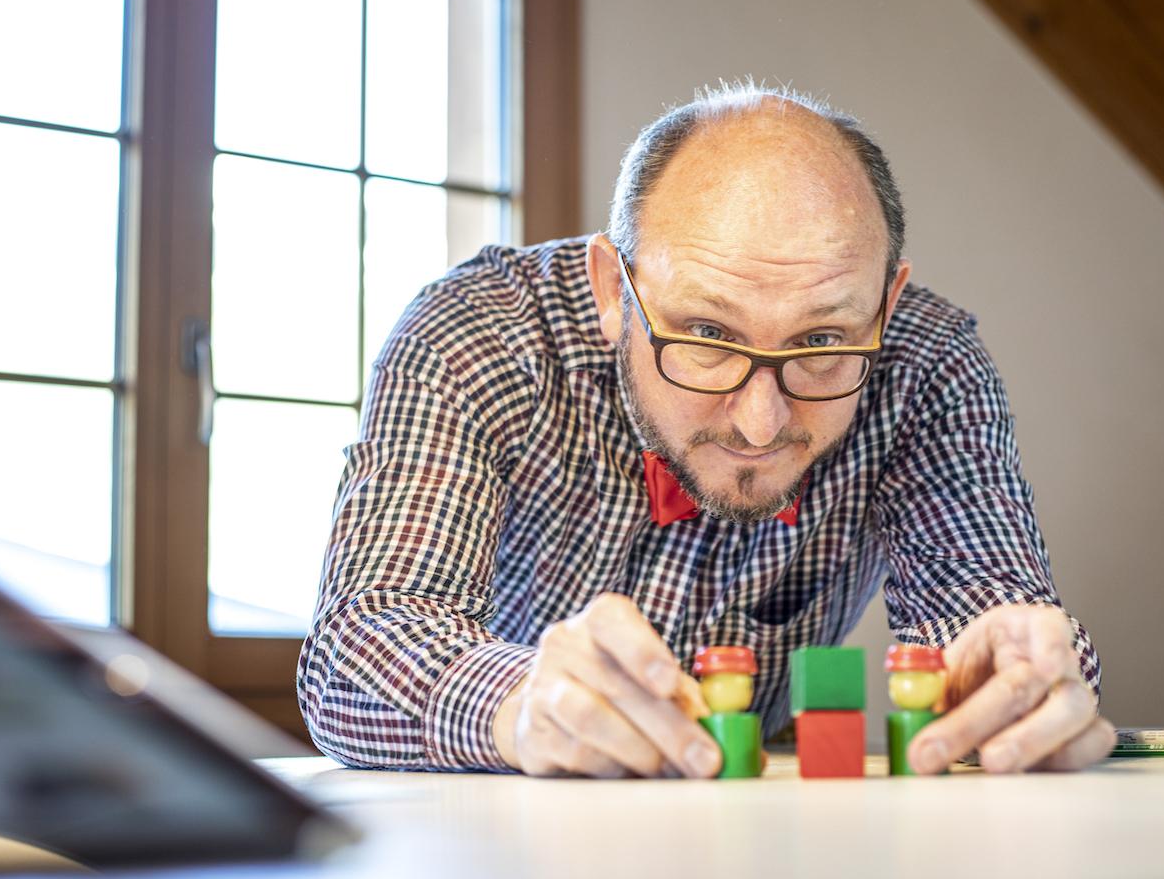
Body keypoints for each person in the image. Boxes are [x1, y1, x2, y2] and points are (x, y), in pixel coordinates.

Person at [297, 82, 1115, 778]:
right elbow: (357, 649)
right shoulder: (478, 333)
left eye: (822, 343)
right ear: (613, 290)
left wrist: (1025, 678)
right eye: (707, 336)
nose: (761, 423)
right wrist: (516, 702)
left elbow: (983, 625)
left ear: (885, 306)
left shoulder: (926, 364)